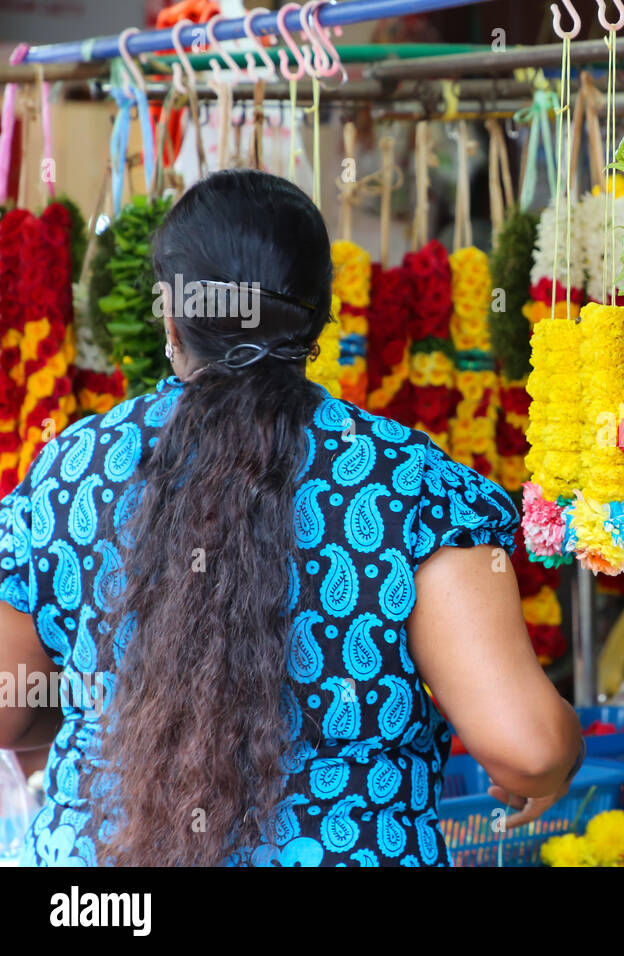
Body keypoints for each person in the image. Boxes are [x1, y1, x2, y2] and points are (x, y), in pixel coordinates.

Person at [0, 169, 583, 866]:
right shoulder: (409, 486)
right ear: (317, 318)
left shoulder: (70, 472)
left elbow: (11, 708)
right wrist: (542, 775)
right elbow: (528, 746)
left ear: (171, 316)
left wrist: (128, 703)